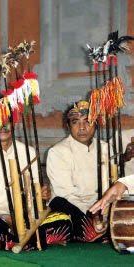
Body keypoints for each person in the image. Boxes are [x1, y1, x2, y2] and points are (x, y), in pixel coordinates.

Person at [0, 103, 69, 251]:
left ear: (14, 122)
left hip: (27, 217)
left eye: (7, 120)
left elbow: (36, 194)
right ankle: (33, 239)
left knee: (63, 219)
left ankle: (5, 242)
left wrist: (42, 195)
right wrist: (8, 218)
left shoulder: (29, 152)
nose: (3, 126)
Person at [47, 100, 108, 242]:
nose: (82, 127)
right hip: (72, 206)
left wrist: (103, 213)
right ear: (68, 126)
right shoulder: (57, 152)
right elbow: (66, 193)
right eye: (75, 122)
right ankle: (90, 231)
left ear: (96, 124)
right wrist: (92, 215)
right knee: (61, 207)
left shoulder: (105, 148)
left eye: (88, 121)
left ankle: (94, 231)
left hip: (100, 208)